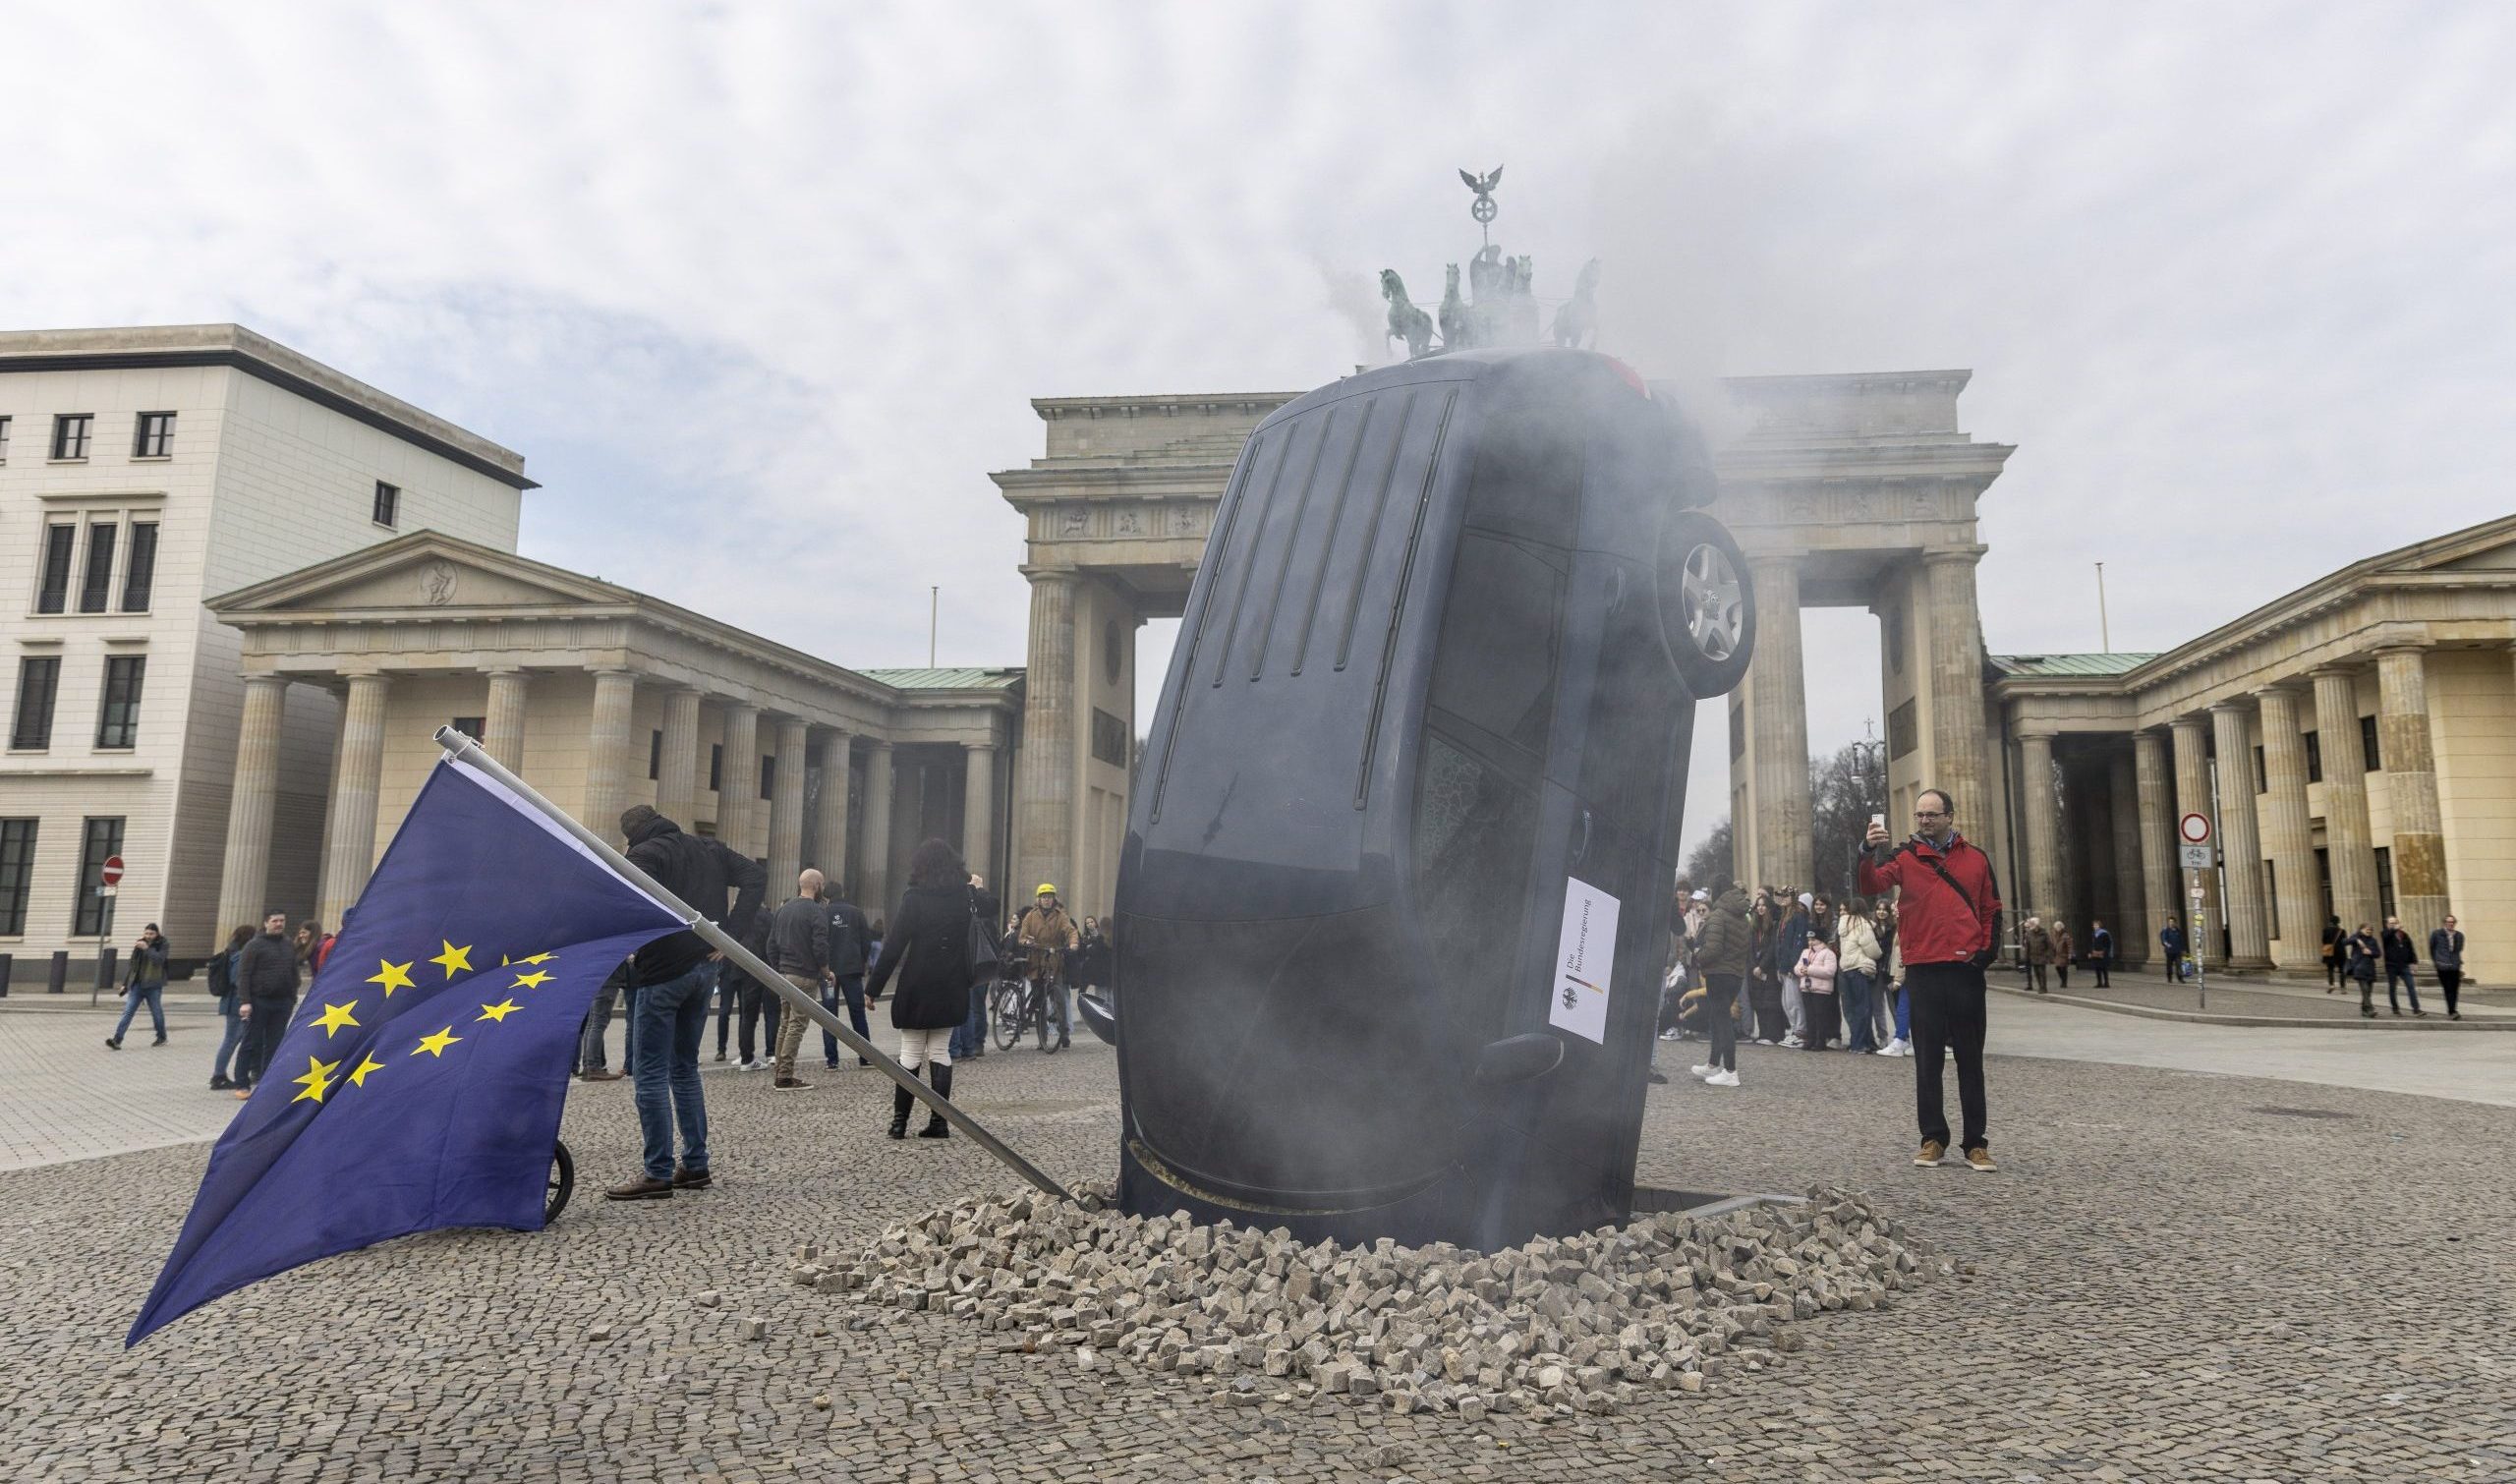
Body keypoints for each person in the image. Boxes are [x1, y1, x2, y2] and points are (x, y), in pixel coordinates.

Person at [607, 804, 764, 1201]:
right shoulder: (707, 848)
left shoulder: (643, 855)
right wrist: (727, 935)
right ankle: (695, 1165)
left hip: (662, 973)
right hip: (704, 970)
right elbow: (755, 877)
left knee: (651, 1072)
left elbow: (628, 908)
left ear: (632, 834)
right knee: (685, 1069)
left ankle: (657, 1172)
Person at [1860, 787, 2003, 1172]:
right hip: (1923, 969)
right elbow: (1870, 885)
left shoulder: (1976, 859)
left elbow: (1992, 908)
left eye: (1931, 814)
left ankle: (1976, 1143)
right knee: (1927, 1061)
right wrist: (1866, 849)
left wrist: (1984, 955)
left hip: (1964, 971)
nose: (1924, 820)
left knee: (1971, 1061)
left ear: (1950, 816)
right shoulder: (1904, 856)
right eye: (1919, 815)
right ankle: (1932, 1138)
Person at [865, 838, 981, 1139]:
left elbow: (893, 946)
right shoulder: (964, 898)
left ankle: (899, 1122)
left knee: (911, 1052)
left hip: (918, 982)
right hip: (952, 983)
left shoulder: (914, 898)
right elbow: (990, 908)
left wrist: (874, 987)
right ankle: (939, 1122)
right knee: (940, 1052)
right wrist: (975, 886)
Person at [767, 868, 831, 1089]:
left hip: (785, 975)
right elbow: (820, 947)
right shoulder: (816, 911)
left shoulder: (783, 910)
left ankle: (780, 1073)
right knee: (797, 1025)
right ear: (816, 886)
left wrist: (780, 969)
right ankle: (785, 1076)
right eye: (822, 883)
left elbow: (771, 945)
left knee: (785, 1024)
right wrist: (826, 971)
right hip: (804, 976)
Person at [233, 910, 301, 1099]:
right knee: (250, 1042)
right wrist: (245, 1001)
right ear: (266, 923)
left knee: (275, 1044)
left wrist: (292, 995)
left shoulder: (288, 944)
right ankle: (242, 1083)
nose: (279, 924)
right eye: (275, 921)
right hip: (259, 1001)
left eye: (282, 920)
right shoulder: (254, 945)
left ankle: (268, 1083)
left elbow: (293, 971)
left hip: (283, 1002)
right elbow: (244, 975)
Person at [1689, 884, 1750, 1086]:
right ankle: (1713, 1063)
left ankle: (1730, 1071)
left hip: (1718, 973)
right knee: (1717, 1018)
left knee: (1722, 1021)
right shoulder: (1741, 916)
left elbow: (1713, 949)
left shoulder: (1718, 915)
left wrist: (1698, 956)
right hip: (1735, 974)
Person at [1017, 884, 1080, 1053]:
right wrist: (1027, 942)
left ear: (1054, 899)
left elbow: (1070, 930)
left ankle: (1064, 1033)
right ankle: (1042, 1038)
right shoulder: (1031, 916)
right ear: (1039, 899)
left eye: (1050, 897)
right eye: (1044, 897)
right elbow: (1022, 937)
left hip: (1054, 961)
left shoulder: (1060, 916)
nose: (1047, 900)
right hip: (1036, 962)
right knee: (1040, 1002)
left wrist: (1073, 943)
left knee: (1058, 998)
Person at [823, 885, 875, 1068]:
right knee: (858, 1012)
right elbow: (866, 942)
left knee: (829, 1014)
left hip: (829, 974)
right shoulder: (856, 912)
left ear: (826, 897)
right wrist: (860, 962)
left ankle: (832, 1060)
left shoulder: (824, 913)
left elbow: (819, 942)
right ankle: (866, 1056)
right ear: (843, 894)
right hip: (852, 971)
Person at [953, 875, 1002, 1060]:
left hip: (978, 961)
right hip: (974, 961)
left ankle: (973, 1044)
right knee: (971, 1005)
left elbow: (992, 906)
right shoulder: (965, 901)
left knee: (974, 1004)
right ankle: (970, 1045)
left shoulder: (978, 906)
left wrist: (978, 890)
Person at [106, 923, 171, 1050]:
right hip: (137, 985)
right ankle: (117, 1040)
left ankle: (161, 1037)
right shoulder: (139, 945)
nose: (148, 936)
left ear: (157, 934)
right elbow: (132, 966)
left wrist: (147, 948)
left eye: (151, 934)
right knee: (128, 1012)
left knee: (156, 1012)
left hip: (153, 985)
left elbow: (159, 960)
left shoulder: (163, 944)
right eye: (146, 933)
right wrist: (125, 984)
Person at [205, 924, 253, 1089]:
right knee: (232, 1039)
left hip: (232, 1001)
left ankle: (221, 1074)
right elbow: (236, 979)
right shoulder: (239, 956)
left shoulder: (231, 952)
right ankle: (218, 1075)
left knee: (235, 1039)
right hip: (235, 1003)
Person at [1838, 898, 1881, 1055]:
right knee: (1864, 1008)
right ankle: (1860, 1044)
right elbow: (1873, 950)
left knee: (1853, 1008)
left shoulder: (1843, 923)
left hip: (1846, 968)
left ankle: (1858, 1041)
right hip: (1859, 968)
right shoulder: (1863, 925)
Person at [574, 959, 631, 1080]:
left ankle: (588, 1066)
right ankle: (594, 1067)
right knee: (598, 1025)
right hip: (608, 980)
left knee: (592, 1023)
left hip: (598, 980)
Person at [1794, 927, 1840, 1051]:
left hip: (1821, 990)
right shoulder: (1805, 952)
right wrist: (1801, 970)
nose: (1811, 942)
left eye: (1814, 940)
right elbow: (1797, 967)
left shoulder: (1828, 953)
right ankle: (1810, 1039)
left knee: (1820, 1016)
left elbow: (1830, 972)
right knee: (1809, 1015)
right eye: (1809, 940)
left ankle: (1821, 1040)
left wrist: (1809, 970)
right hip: (1807, 988)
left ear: (1821, 940)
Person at [2379, 916, 2425, 1017]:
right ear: (2387, 925)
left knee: (2411, 986)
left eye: (2395, 922)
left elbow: (2410, 948)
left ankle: (2416, 1009)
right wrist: (2393, 929)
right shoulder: (2385, 933)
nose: (2394, 924)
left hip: (2404, 965)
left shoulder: (2404, 935)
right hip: (2391, 966)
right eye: (2391, 923)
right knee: (2392, 988)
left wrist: (2414, 962)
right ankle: (2395, 1009)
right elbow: (2385, 938)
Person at [2429, 914, 2466, 1021]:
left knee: (2455, 989)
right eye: (2449, 922)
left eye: (2452, 922)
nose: (2451, 924)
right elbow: (2432, 948)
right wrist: (2436, 961)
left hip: (2455, 966)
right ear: (2445, 923)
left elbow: (2459, 949)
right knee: (2448, 988)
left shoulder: (2459, 935)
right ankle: (2452, 1011)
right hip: (2442, 966)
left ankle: (2453, 1009)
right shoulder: (2436, 934)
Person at [2344, 923, 2380, 1018]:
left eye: (2371, 930)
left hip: (2370, 968)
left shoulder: (2373, 940)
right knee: (2365, 990)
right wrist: (2356, 939)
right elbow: (2344, 942)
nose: (2369, 931)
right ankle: (2370, 1010)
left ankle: (2364, 1010)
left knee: (2368, 992)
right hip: (2359, 968)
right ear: (2361, 929)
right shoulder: (2355, 937)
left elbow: (2378, 954)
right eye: (2367, 929)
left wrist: (2371, 952)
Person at [2022, 916, 2052, 994]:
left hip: (2042, 955)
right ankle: (2040, 986)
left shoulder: (2044, 933)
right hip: (2033, 956)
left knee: (2042, 972)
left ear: (2037, 925)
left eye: (2033, 925)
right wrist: (2026, 956)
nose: (2032, 927)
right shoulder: (2029, 934)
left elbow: (2049, 945)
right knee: (2037, 973)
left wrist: (2048, 955)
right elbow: (2027, 946)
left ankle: (2044, 987)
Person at [2319, 915, 2347, 992]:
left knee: (2330, 969)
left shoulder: (2326, 930)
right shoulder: (2342, 931)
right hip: (2340, 951)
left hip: (2329, 951)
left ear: (2330, 922)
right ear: (2338, 922)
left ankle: (2331, 985)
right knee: (2341, 970)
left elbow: (2323, 941)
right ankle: (2343, 988)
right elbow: (2344, 941)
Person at [2159, 915, 2189, 983]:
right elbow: (2164, 939)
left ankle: (2180, 978)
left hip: (2177, 951)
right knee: (2169, 965)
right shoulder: (2166, 930)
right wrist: (2167, 944)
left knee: (2179, 965)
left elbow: (2181, 940)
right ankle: (2169, 977)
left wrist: (2183, 949)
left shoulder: (2178, 931)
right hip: (2169, 951)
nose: (2171, 923)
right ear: (2168, 923)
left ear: (2175, 923)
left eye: (2172, 922)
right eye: (2170, 922)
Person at [2087, 920, 2113, 989]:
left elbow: (2108, 944)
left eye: (2097, 925)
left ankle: (2106, 983)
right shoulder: (2093, 934)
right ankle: (2099, 983)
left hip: (2103, 954)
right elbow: (2091, 944)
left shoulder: (2104, 933)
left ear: (2100, 926)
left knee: (2104, 968)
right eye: (2094, 925)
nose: (2095, 926)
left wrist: (2104, 951)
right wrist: (2090, 952)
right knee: (2097, 968)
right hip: (2095, 954)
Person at [2050, 921, 2075, 991]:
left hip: (2064, 954)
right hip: (2057, 955)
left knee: (2064, 968)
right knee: (2057, 967)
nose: (2057, 928)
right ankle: (2062, 980)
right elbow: (2053, 944)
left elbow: (2070, 945)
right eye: (2056, 927)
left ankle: (2064, 982)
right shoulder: (2054, 935)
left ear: (2061, 927)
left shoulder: (2065, 935)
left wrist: (2070, 954)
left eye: (2059, 926)